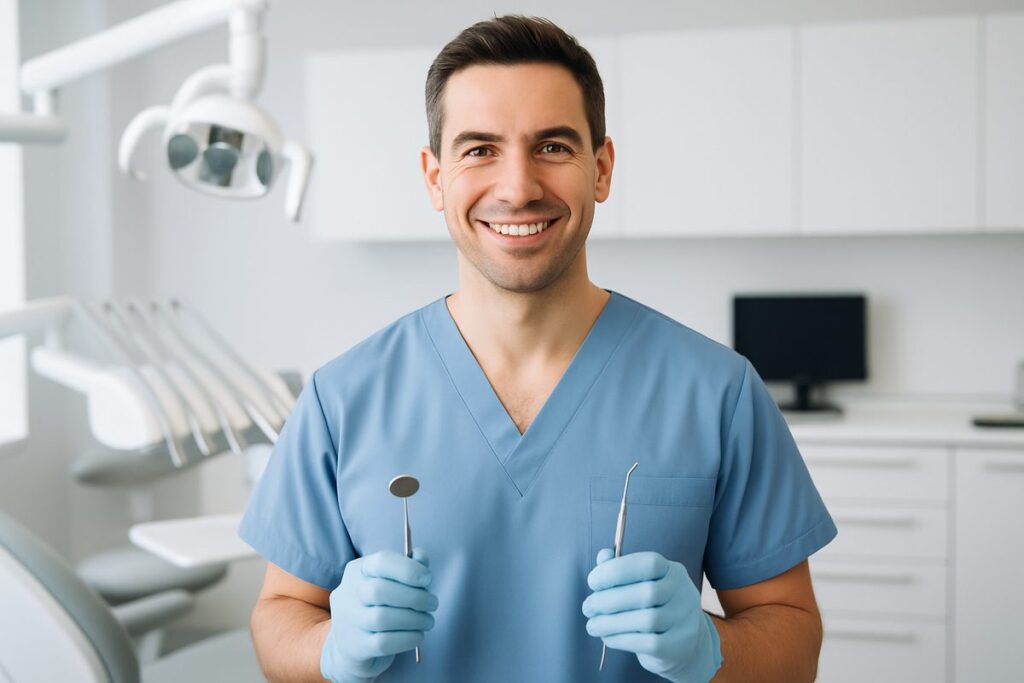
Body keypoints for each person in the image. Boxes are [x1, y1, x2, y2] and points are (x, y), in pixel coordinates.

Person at [240, 15, 836, 683]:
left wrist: (708, 646)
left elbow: (793, 634)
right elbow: (278, 616)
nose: (518, 186)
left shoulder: (716, 392)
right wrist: (328, 648)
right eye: (479, 149)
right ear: (434, 177)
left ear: (601, 168)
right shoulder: (343, 397)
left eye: (552, 146)